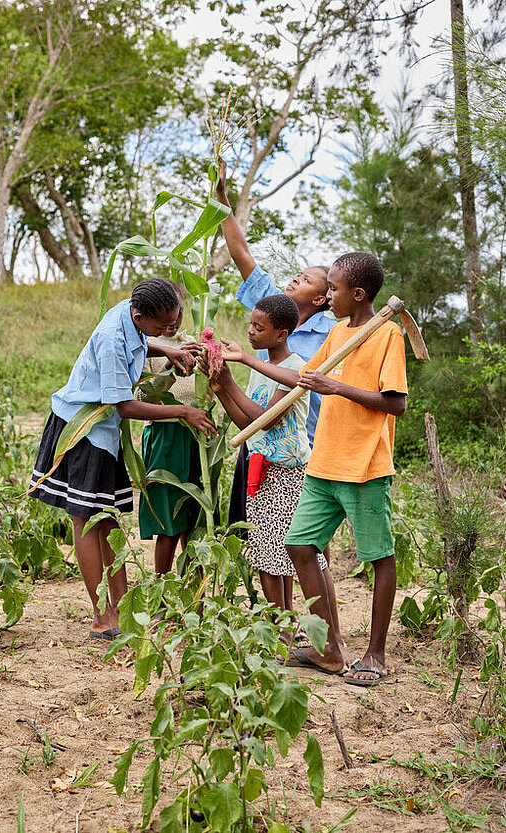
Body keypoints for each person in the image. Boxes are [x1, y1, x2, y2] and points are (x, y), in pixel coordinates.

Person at [245, 252, 407, 682]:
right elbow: (302, 378)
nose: (327, 296)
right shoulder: (337, 332)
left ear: (358, 294)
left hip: (364, 464)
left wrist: (336, 386)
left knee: (378, 556)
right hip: (324, 462)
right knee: (299, 547)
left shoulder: (387, 333)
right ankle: (331, 649)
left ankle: (374, 654)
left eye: (333, 289)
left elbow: (397, 403)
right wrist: (245, 362)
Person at [29, 278, 216, 640]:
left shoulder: (133, 315)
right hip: (84, 428)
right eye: (163, 327)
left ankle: (122, 605)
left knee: (109, 519)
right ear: (139, 314)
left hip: (104, 430)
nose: (169, 330)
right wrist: (182, 411)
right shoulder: (114, 338)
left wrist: (167, 349)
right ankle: (102, 617)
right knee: (86, 520)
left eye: (174, 324)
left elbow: (142, 341)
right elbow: (125, 405)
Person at [215, 159, 336, 573]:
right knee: (264, 542)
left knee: (302, 548)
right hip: (258, 439)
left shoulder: (328, 336)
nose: (292, 281)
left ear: (321, 299)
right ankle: (279, 621)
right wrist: (223, 203)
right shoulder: (270, 307)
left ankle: (317, 627)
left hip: (302, 449)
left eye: (304, 280)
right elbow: (241, 253)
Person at [202, 294, 338, 625]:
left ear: (281, 334)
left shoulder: (292, 368)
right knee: (269, 555)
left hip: (288, 476)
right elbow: (249, 426)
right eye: (250, 324)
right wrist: (221, 389)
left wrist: (231, 380)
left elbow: (267, 418)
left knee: (282, 557)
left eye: (258, 327)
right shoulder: (263, 366)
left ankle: (288, 627)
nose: (250, 332)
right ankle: (285, 625)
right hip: (261, 472)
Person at [137, 297, 202, 573]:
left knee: (195, 517)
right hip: (165, 434)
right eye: (165, 319)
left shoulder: (193, 342)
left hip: (196, 434)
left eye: (176, 317)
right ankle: (162, 598)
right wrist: (168, 365)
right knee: (168, 520)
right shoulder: (145, 346)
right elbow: (141, 396)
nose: (171, 324)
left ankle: (194, 596)